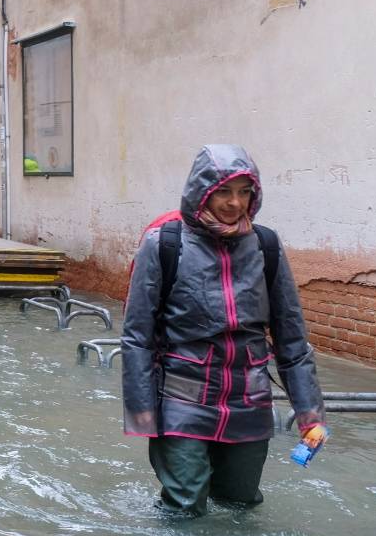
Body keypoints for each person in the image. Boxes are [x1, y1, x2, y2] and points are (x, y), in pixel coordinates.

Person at [121, 145, 326, 516]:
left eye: (244, 192)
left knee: (239, 503)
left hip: (248, 400)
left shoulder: (266, 245)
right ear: (202, 191)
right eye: (224, 192)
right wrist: (142, 414)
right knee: (185, 503)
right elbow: (137, 336)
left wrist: (310, 414)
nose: (235, 203)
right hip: (182, 398)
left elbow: (291, 337)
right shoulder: (164, 244)